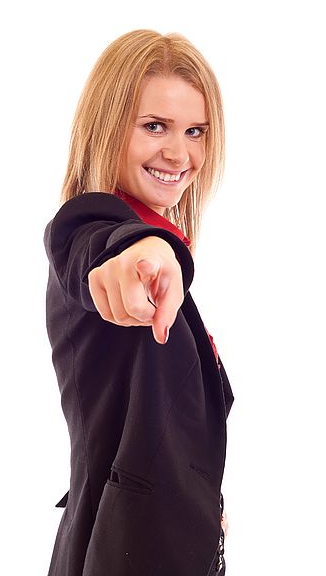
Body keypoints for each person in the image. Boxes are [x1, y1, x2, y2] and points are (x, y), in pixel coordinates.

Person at [43, 29, 235, 576]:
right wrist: (143, 249)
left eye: (195, 131)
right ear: (107, 130)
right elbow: (93, 246)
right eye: (155, 127)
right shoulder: (96, 228)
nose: (180, 153)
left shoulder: (157, 243)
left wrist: (206, 508)